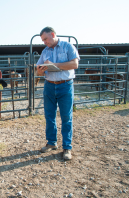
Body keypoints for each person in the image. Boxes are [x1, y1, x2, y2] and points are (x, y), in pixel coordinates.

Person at [36, 27, 80, 160]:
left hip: (65, 85)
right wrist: (41, 70)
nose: (44, 42)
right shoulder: (45, 51)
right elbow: (38, 71)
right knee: (49, 116)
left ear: (53, 34)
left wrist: (55, 64)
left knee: (66, 117)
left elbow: (74, 64)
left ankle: (67, 147)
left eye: (45, 39)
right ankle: (51, 143)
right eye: (42, 40)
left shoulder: (68, 46)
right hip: (49, 85)